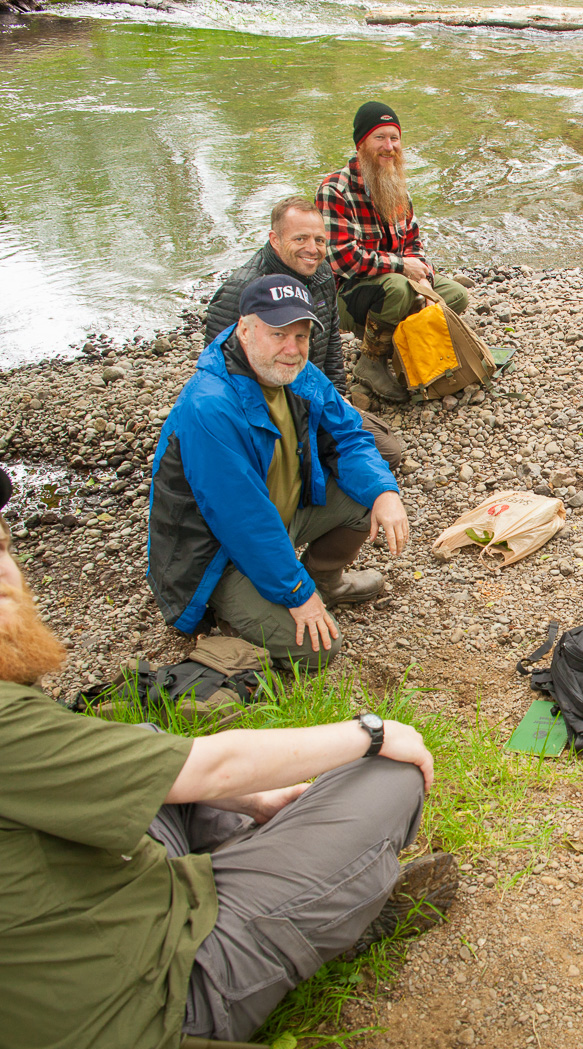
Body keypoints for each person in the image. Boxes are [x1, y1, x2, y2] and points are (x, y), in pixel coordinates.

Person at [0, 454, 456, 1049]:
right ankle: (337, 907)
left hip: (53, 988)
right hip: (141, 1021)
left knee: (142, 741)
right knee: (388, 778)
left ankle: (306, 881)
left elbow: (170, 774)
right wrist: (372, 731)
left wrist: (251, 799)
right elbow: (214, 767)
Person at [149, 274, 407, 669]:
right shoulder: (211, 406)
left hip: (278, 520)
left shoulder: (296, 371)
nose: (292, 349)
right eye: (278, 334)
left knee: (365, 498)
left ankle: (325, 583)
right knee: (318, 651)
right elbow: (243, 521)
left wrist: (383, 492)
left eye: (301, 336)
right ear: (246, 330)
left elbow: (350, 435)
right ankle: (226, 616)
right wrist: (296, 594)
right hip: (218, 554)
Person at [203, 195, 405, 468]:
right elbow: (218, 373)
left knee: (388, 450)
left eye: (319, 240)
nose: (313, 249)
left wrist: (338, 398)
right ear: (275, 240)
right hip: (266, 411)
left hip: (313, 396)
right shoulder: (241, 291)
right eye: (300, 239)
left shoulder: (321, 274)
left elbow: (331, 343)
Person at [318, 100, 471, 403]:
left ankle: (398, 346)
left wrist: (425, 279)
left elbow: (414, 243)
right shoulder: (335, 189)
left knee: (453, 296)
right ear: (361, 143)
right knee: (400, 289)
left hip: (392, 282)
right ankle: (371, 363)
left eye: (394, 138)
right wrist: (403, 268)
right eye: (380, 138)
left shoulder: (396, 185)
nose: (389, 146)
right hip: (346, 295)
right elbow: (342, 259)